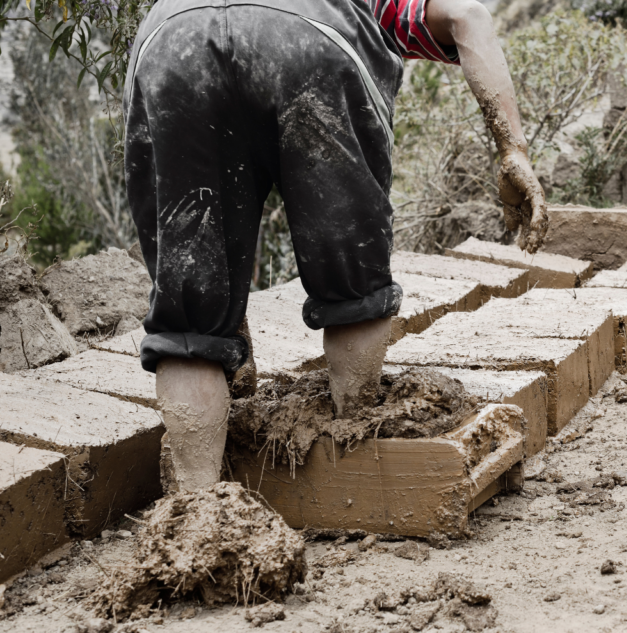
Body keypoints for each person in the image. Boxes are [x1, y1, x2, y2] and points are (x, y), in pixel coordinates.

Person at [124, 0, 548, 492]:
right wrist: (511, 148)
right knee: (353, 280)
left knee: (190, 310)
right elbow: (466, 16)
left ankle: (197, 512)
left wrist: (225, 329)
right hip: (311, 34)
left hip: (174, 42)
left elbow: (229, 33)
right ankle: (353, 451)